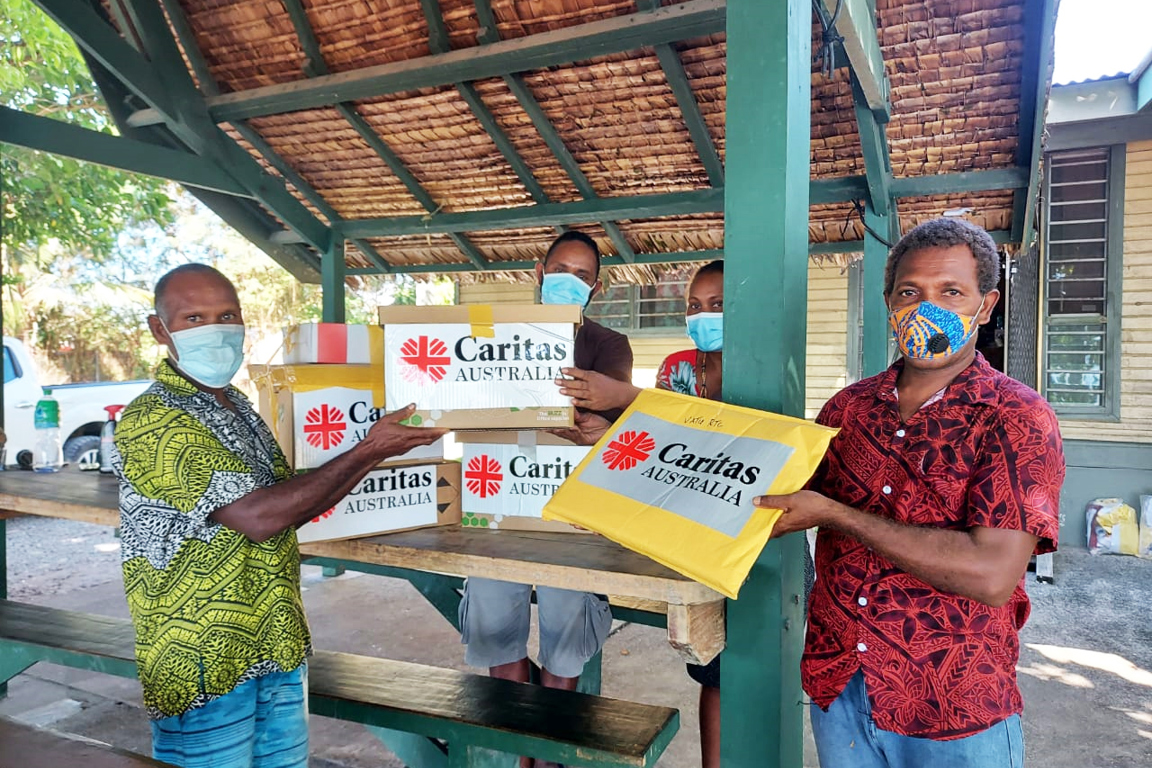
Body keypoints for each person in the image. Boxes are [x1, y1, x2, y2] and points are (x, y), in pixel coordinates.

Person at [754, 218, 1065, 768]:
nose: (927, 308)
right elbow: (773, 493)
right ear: (889, 301)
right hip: (841, 684)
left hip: (952, 706)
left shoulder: (1015, 417)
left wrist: (838, 515)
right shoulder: (847, 410)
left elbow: (991, 575)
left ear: (985, 306)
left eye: (951, 292)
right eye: (910, 292)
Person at [114, 264, 445, 768]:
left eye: (227, 315)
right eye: (193, 318)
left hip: (276, 643)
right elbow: (257, 516)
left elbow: (291, 500)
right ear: (160, 330)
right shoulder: (152, 419)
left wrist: (373, 451)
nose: (215, 330)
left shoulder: (237, 407)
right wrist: (369, 450)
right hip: (205, 659)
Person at [556, 260, 815, 768]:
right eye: (694, 306)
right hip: (699, 538)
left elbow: (737, 437)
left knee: (768, 667)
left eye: (718, 305)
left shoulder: (771, 366)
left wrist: (627, 399)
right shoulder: (678, 368)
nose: (704, 315)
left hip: (767, 540)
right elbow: (668, 446)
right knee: (716, 670)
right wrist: (609, 435)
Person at [456, 232, 633, 768]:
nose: (569, 280)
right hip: (498, 497)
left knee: (566, 621)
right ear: (538, 270)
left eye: (581, 275)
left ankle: (549, 753)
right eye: (561, 268)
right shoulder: (497, 333)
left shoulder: (607, 345)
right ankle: (519, 748)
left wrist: (591, 422)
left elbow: (611, 421)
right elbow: (471, 399)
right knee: (491, 614)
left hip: (572, 511)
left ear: (595, 287)